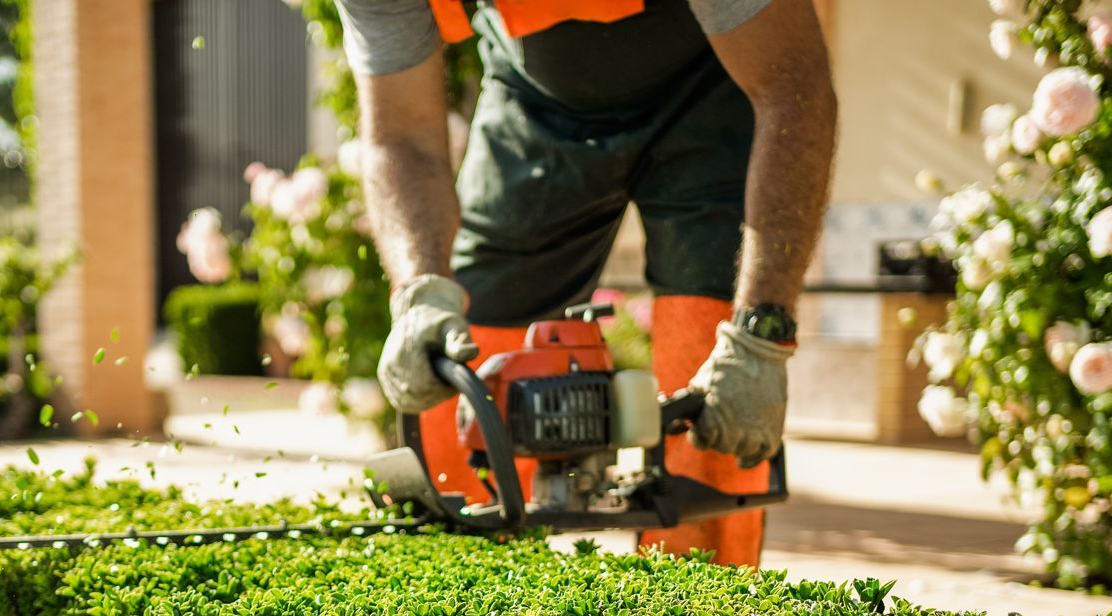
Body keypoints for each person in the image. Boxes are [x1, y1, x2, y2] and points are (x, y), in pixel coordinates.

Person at [339, 0, 836, 563]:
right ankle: (464, 600)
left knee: (713, 403)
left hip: (717, 84)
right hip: (536, 96)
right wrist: (420, 290)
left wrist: (761, 331)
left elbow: (792, 84)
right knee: (462, 378)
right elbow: (400, 134)